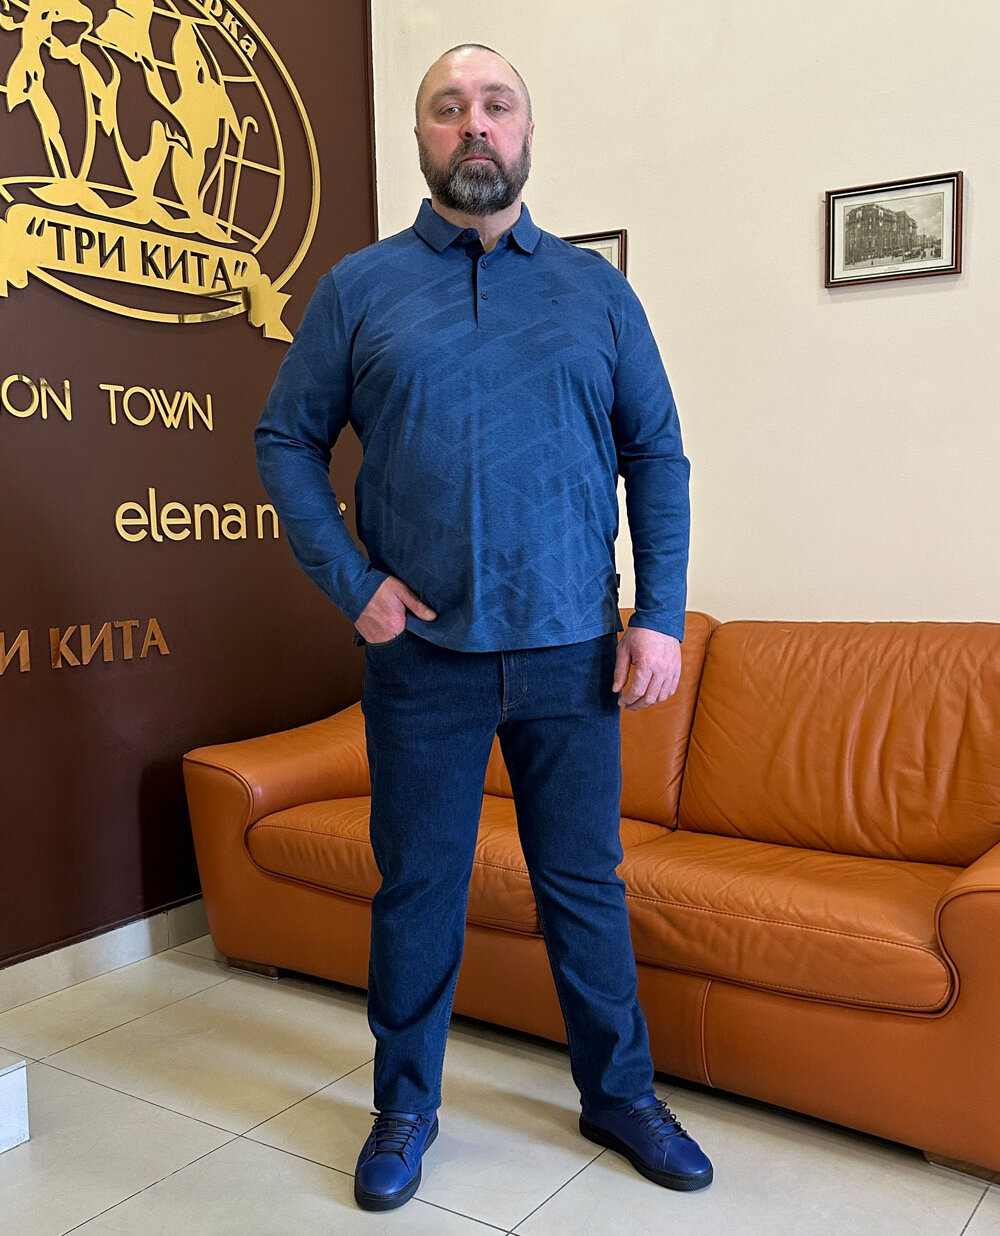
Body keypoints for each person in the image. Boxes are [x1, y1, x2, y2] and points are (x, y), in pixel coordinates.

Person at [254, 42, 713, 1213]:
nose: (474, 124)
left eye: (495, 105)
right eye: (447, 107)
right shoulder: (358, 288)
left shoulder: (596, 293)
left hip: (574, 654)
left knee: (584, 885)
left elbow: (656, 455)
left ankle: (618, 1094)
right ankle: (404, 1107)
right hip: (421, 660)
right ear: (420, 135)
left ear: (525, 132)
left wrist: (658, 616)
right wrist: (351, 580)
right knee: (419, 888)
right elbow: (284, 440)